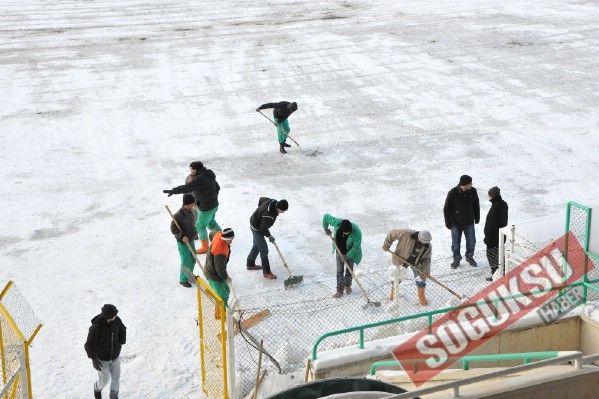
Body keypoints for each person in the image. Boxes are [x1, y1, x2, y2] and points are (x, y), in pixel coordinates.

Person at [163, 161, 221, 254]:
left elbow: (187, 187)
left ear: (197, 169)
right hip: (214, 205)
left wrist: (174, 191)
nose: (191, 171)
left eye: (193, 169)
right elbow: (218, 187)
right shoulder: (209, 174)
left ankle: (205, 247)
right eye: (190, 169)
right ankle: (220, 237)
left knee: (200, 226)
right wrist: (212, 198)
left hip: (206, 208)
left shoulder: (200, 179)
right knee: (211, 222)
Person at [84, 304, 126, 399]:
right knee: (105, 380)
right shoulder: (96, 327)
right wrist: (93, 359)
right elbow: (88, 344)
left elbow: (123, 328)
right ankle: (97, 388)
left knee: (116, 378)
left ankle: (114, 397)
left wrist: (122, 339)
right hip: (102, 359)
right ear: (109, 316)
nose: (116, 315)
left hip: (115, 356)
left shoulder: (116, 320)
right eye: (114, 314)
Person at [382, 229, 432, 305]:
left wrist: (426, 271)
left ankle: (421, 297)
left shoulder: (427, 246)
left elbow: (427, 259)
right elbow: (392, 234)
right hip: (401, 258)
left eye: (425, 243)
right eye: (422, 242)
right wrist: (386, 244)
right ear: (418, 237)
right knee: (397, 277)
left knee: (421, 278)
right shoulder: (406, 234)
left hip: (416, 262)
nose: (423, 244)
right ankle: (393, 294)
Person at [443, 175, 480, 268]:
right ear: (465, 184)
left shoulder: (473, 191)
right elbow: (447, 208)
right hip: (456, 223)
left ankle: (469, 256)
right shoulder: (453, 192)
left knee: (471, 242)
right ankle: (456, 259)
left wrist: (477, 217)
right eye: (470, 183)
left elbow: (476, 204)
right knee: (455, 243)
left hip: (469, 222)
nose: (471, 185)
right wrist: (448, 222)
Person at [247, 197, 289, 279]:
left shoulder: (272, 201)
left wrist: (259, 212)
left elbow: (261, 199)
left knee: (257, 245)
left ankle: (250, 264)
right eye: (282, 211)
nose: (282, 212)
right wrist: (270, 236)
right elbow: (263, 229)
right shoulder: (268, 215)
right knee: (264, 250)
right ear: (278, 208)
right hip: (257, 228)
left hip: (255, 223)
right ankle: (267, 272)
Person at [322, 214, 363, 298]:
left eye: (348, 233)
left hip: (351, 252)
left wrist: (347, 256)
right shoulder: (337, 222)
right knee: (339, 270)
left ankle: (347, 286)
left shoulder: (357, 232)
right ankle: (339, 290)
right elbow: (326, 217)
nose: (346, 234)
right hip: (339, 249)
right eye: (344, 233)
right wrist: (325, 228)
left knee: (349, 269)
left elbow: (356, 248)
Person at [204, 228, 235, 319]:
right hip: (214, 274)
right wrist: (226, 278)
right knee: (222, 296)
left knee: (225, 290)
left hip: (211, 268)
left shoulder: (218, 234)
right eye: (230, 239)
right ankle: (224, 315)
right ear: (225, 239)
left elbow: (211, 234)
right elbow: (219, 268)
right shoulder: (221, 250)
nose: (231, 241)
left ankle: (219, 313)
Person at [170, 194, 198, 287]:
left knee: (193, 259)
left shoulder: (192, 211)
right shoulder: (178, 215)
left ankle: (189, 275)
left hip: (191, 239)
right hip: (183, 242)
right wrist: (182, 236)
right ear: (188, 203)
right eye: (193, 203)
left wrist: (195, 233)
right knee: (186, 261)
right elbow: (174, 229)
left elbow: (192, 224)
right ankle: (183, 279)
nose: (194, 204)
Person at [483, 186, 509, 281]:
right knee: (498, 254)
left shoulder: (497, 206)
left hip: (493, 237)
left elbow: (494, 223)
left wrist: (488, 235)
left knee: (492, 255)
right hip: (499, 235)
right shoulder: (502, 204)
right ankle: (501, 273)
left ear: (492, 196)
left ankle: (497, 275)